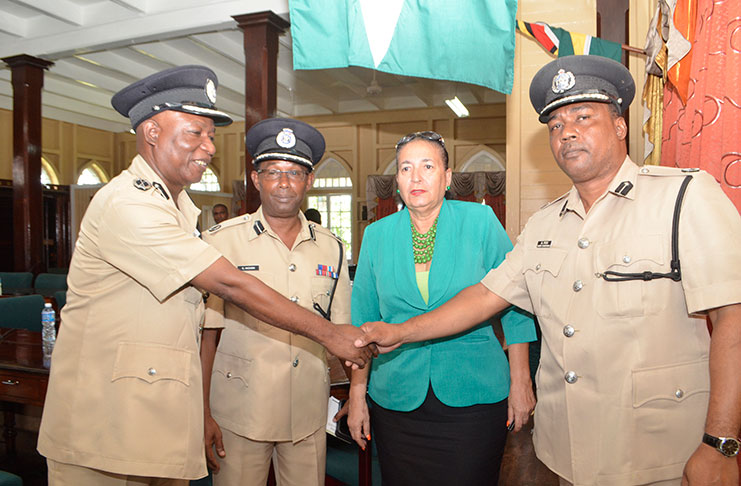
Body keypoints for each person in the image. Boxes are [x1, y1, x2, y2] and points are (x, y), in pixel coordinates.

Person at [356, 55, 741, 486]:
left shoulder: (684, 197)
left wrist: (721, 441)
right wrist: (399, 332)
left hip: (660, 452)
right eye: (555, 125)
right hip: (566, 453)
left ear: (620, 126)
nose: (567, 132)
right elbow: (486, 296)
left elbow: (733, 320)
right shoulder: (544, 225)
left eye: (583, 116)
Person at [36, 66, 373, 486]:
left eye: (211, 135)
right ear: (153, 132)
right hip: (105, 424)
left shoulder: (178, 209)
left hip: (157, 418)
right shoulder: (129, 204)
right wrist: (328, 335)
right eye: (195, 132)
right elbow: (228, 285)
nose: (209, 147)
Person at [346, 130, 537, 485]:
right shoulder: (376, 235)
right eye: (405, 168)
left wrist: (521, 380)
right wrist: (358, 395)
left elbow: (516, 303)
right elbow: (364, 324)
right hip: (397, 397)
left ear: (447, 178)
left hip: (473, 396)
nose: (415, 177)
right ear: (397, 181)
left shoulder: (480, 223)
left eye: (427, 166)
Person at [200, 118, 349, 485]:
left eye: (295, 173)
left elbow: (341, 332)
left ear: (309, 181)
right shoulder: (221, 242)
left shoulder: (331, 246)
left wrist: (356, 393)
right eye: (273, 172)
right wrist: (202, 412)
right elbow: (206, 336)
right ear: (256, 179)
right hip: (240, 412)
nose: (284, 183)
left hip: (307, 413)